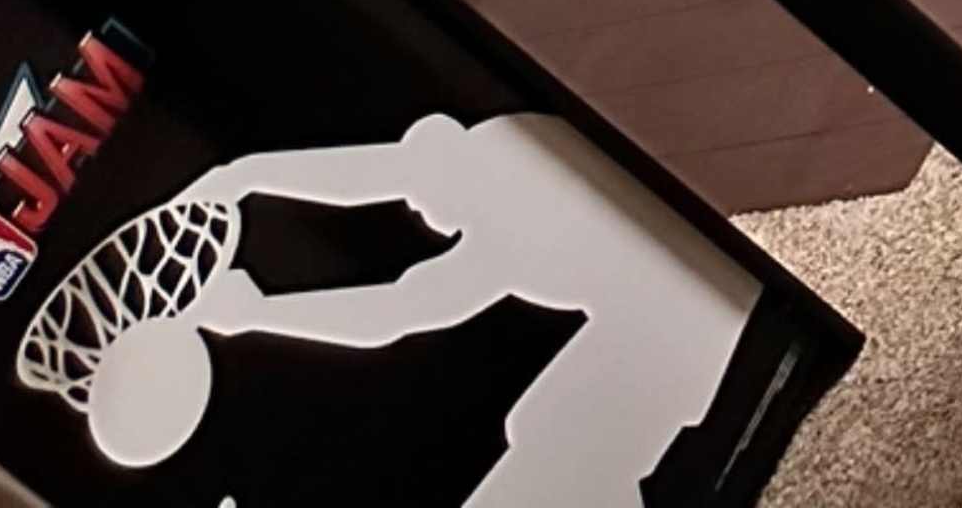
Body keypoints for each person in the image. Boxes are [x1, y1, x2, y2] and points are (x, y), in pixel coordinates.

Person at [65, 110, 748, 502]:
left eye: (421, 187)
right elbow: (376, 172)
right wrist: (247, 175)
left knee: (555, 443)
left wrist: (260, 310)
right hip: (671, 293)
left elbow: (392, 312)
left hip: (693, 311)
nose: (415, 208)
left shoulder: (513, 203)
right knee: (547, 431)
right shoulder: (496, 154)